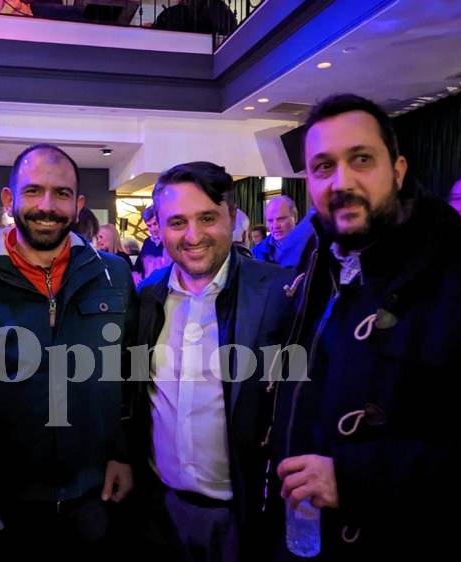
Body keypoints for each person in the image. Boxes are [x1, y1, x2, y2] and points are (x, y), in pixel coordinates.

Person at [265, 94, 461, 558]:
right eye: (323, 167)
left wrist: (356, 477)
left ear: (397, 170)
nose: (342, 181)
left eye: (361, 159)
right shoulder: (316, 268)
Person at [0, 143, 136, 561]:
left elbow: (128, 376)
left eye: (61, 193)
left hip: (94, 496)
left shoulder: (115, 276)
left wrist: (122, 453)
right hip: (2, 503)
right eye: (33, 191)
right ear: (9, 199)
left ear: (78, 205)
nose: (47, 206)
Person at [132, 161, 289, 561]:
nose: (193, 235)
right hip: (160, 509)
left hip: (242, 514)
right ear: (159, 227)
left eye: (207, 218)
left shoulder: (276, 291)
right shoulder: (148, 296)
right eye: (177, 222)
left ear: (231, 218)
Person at [252, 195, 297, 265]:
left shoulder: (311, 246)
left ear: (295, 218)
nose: (275, 226)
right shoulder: (256, 252)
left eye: (281, 219)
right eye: (270, 221)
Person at [131, 205, 170, 283]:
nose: (153, 229)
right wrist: (135, 275)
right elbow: (137, 267)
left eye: (155, 224)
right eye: (149, 226)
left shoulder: (171, 242)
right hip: (148, 286)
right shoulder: (147, 242)